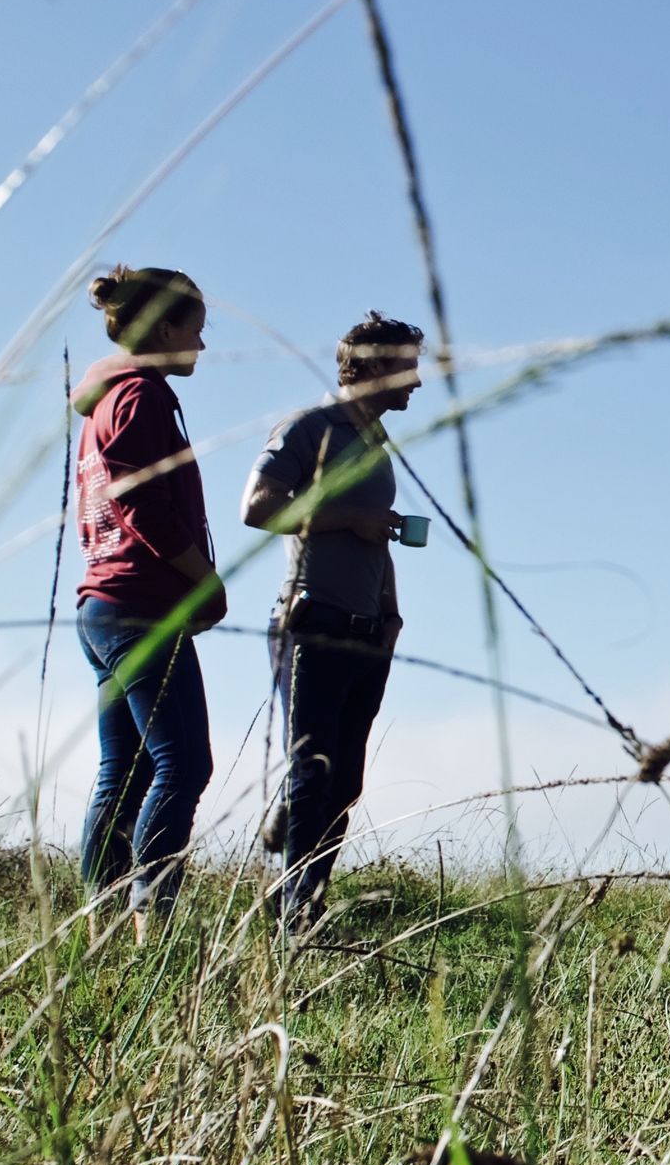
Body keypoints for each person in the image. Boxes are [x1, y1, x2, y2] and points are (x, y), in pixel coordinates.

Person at [242, 314, 424, 933]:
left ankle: (298, 898)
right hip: (311, 619)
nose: (417, 383)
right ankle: (296, 917)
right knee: (314, 770)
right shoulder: (308, 428)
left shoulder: (375, 443)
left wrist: (391, 611)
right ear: (370, 367)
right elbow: (259, 507)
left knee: (345, 780)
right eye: (407, 367)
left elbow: (373, 538)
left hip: (369, 627)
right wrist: (348, 517)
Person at [71, 265, 224, 926]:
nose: (202, 345)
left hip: (103, 606)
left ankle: (95, 923)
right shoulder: (143, 396)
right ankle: (148, 922)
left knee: (126, 769)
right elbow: (141, 499)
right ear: (165, 329)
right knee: (183, 765)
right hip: (138, 607)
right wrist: (202, 576)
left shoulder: (110, 398)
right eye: (195, 331)